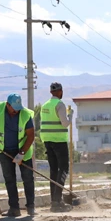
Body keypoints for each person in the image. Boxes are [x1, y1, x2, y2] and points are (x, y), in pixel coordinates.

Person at [0, 94, 35, 217]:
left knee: (28, 179)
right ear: (7, 105)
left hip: (23, 150)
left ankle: (31, 207)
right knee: (10, 180)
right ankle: (14, 209)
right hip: (5, 150)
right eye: (14, 107)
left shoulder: (25, 114)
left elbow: (31, 135)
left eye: (18, 108)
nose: (16, 110)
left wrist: (21, 154)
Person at [39, 82, 72, 213]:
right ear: (60, 92)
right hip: (59, 141)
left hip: (47, 140)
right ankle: (58, 201)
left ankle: (54, 201)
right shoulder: (60, 104)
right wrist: (70, 116)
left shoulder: (44, 106)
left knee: (53, 171)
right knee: (63, 169)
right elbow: (64, 124)